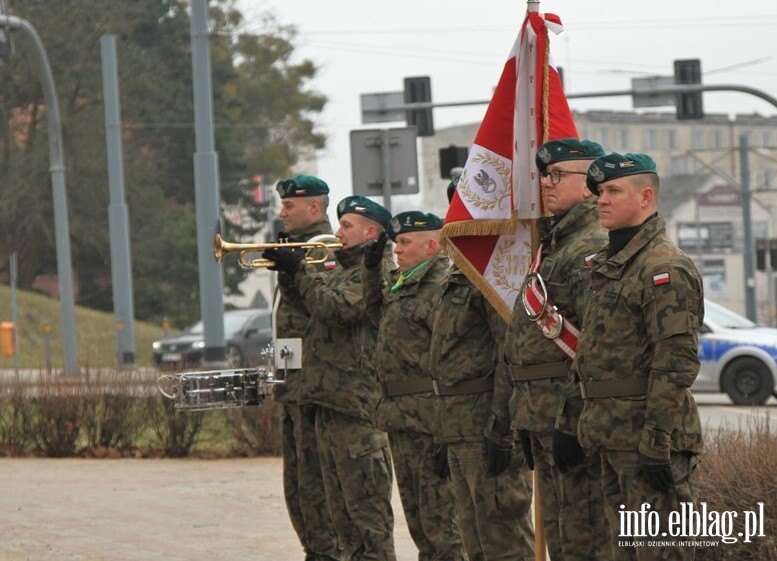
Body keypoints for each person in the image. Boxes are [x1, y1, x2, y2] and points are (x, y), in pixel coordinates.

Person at [559, 152, 704, 561]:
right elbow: (589, 353)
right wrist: (568, 421)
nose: (601, 200)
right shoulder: (608, 267)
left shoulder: (664, 268)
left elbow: (675, 363)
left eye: (612, 191)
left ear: (644, 197)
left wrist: (657, 443)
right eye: (599, 191)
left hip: (647, 440)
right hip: (610, 437)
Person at [490, 139, 610, 561]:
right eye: (544, 175)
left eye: (558, 175)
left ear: (591, 182)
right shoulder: (554, 246)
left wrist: (571, 419)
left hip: (569, 420)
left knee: (586, 542)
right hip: (541, 417)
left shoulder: (591, 247)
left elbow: (595, 350)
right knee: (561, 542)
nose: (545, 183)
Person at [264, 195, 397, 561]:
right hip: (327, 402)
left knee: (367, 522)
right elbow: (309, 307)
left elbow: (333, 309)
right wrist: (289, 273)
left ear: (371, 231)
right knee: (339, 520)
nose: (337, 233)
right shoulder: (340, 268)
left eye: (347, 227)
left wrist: (300, 271)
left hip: (355, 409)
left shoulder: (375, 273)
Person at [430, 182, 535, 561]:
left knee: (503, 541)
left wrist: (500, 430)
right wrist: (443, 432)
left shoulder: (496, 276)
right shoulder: (457, 276)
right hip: (457, 427)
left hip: (485, 428)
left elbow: (510, 355)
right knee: (474, 542)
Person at [363, 211, 466, 561]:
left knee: (444, 528)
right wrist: (369, 266)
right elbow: (372, 309)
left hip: (429, 422)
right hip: (402, 419)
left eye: (405, 243)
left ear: (432, 246)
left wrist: (445, 430)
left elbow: (452, 360)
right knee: (421, 525)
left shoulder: (439, 286)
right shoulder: (403, 284)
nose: (397, 250)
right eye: (396, 243)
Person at [267, 174, 341, 561]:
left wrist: (297, 269)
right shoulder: (299, 249)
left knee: (316, 487)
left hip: (315, 384)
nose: (282, 213)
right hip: (293, 384)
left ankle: (326, 552)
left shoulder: (327, 250)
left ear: (313, 207)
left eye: (289, 205)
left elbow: (324, 307)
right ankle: (315, 550)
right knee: (296, 487)